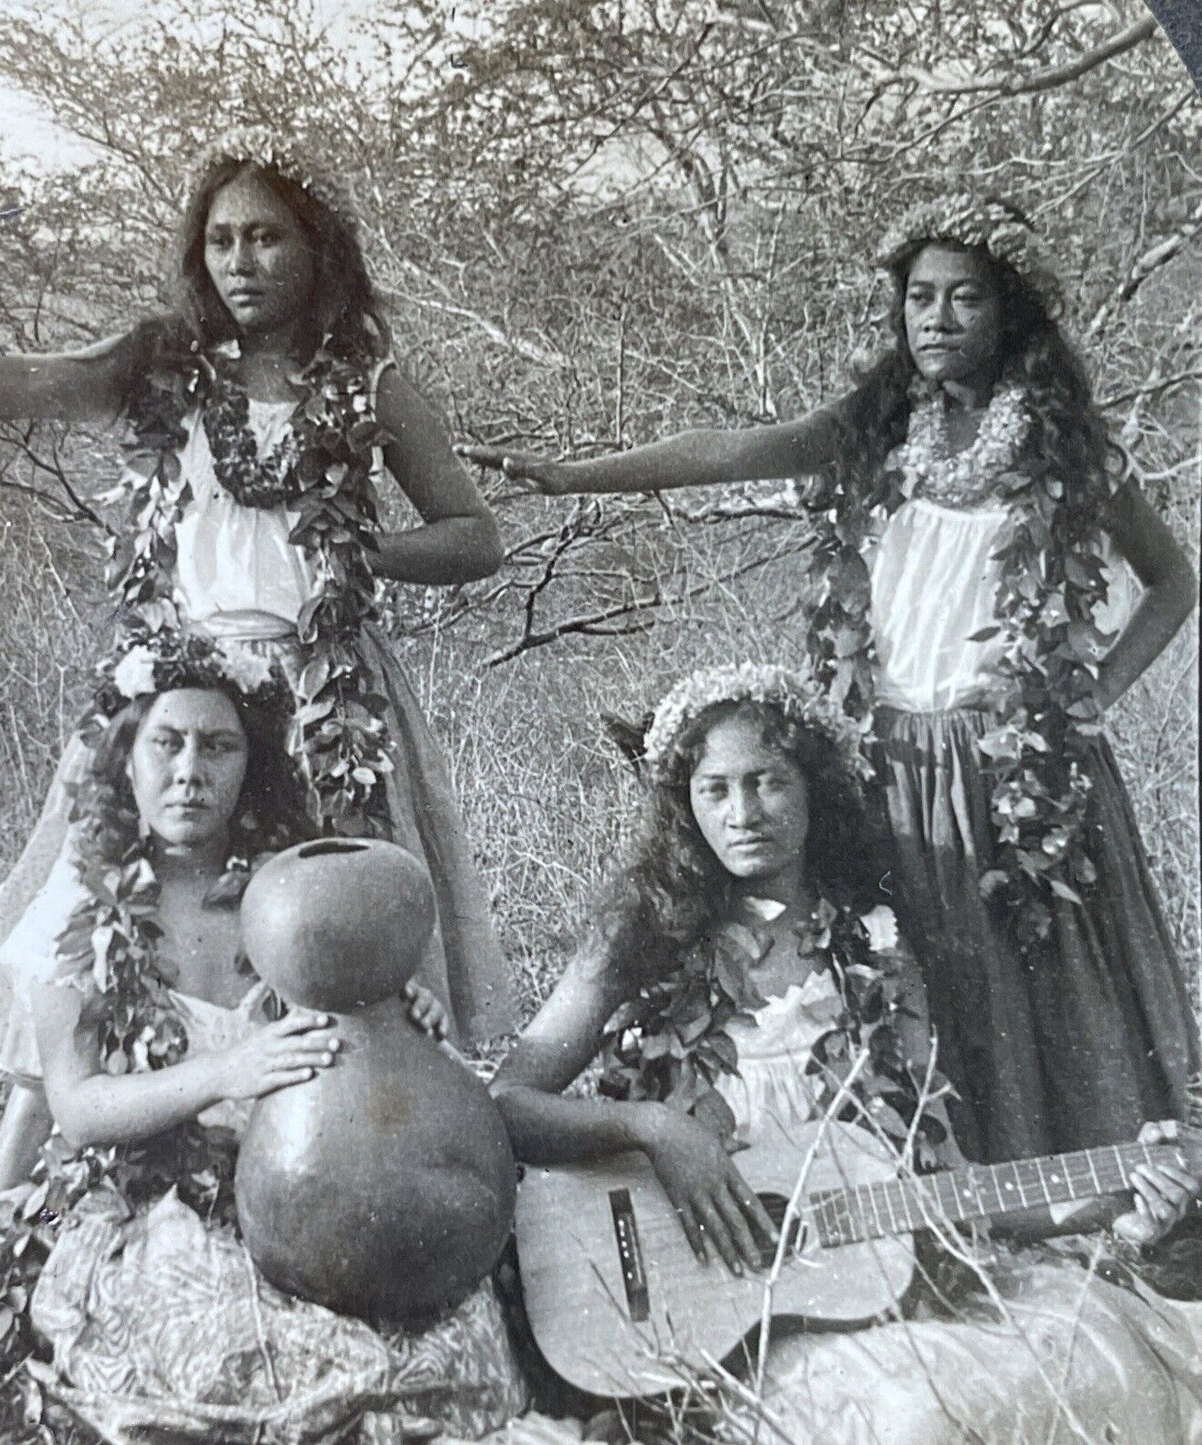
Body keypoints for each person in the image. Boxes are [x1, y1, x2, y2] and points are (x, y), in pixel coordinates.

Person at [0, 130, 516, 1237]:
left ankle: (353, 1194)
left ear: (318, 252)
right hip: (176, 700)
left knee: (323, 958)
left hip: (322, 706)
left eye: (267, 236)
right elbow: (36, 378)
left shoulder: (370, 386)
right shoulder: (165, 361)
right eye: (220, 239)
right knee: (91, 938)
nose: (241, 261)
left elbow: (474, 535)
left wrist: (356, 554)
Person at [465, 193, 1198, 1164]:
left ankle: (1083, 1196)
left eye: (963, 299)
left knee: (1038, 981)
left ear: (1008, 313)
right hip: (893, 757)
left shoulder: (1059, 454)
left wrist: (1091, 695)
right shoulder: (877, 429)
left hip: (1017, 764)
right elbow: (733, 450)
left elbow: (1171, 579)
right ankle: (936, 1185)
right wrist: (571, 474)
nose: (934, 319)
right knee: (919, 968)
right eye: (918, 299)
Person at [491, 663, 1202, 1443]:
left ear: (815, 790)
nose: (742, 812)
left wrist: (1104, 1199)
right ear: (683, 806)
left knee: (1087, 1357)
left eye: (767, 782)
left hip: (866, 1297)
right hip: (719, 1327)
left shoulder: (878, 945)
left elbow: (941, 1180)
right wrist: (652, 1129)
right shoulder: (638, 942)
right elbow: (509, 1103)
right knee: (911, 1422)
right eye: (715, 789)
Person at [0, 629, 526, 1442]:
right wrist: (227, 1072)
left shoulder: (294, 893)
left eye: (217, 747)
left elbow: (357, 1050)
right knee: (254, 1356)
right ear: (126, 758)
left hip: (322, 1192)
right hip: (162, 1205)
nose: (190, 770)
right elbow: (78, 1105)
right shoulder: (76, 915)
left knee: (461, 1342)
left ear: (248, 767)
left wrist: (400, 1023)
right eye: (167, 743)